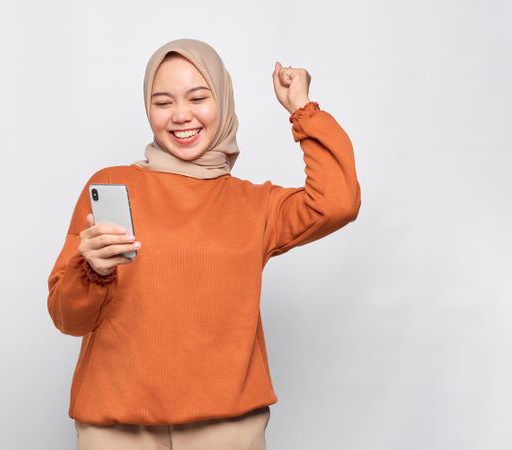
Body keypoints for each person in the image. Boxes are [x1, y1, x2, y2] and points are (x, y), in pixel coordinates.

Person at [47, 38, 361, 450]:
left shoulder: (254, 205)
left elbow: (337, 202)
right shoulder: (110, 185)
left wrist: (302, 109)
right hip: (117, 428)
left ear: (223, 100)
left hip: (227, 427)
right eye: (162, 102)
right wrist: (93, 270)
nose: (181, 116)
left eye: (198, 97)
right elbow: (68, 319)